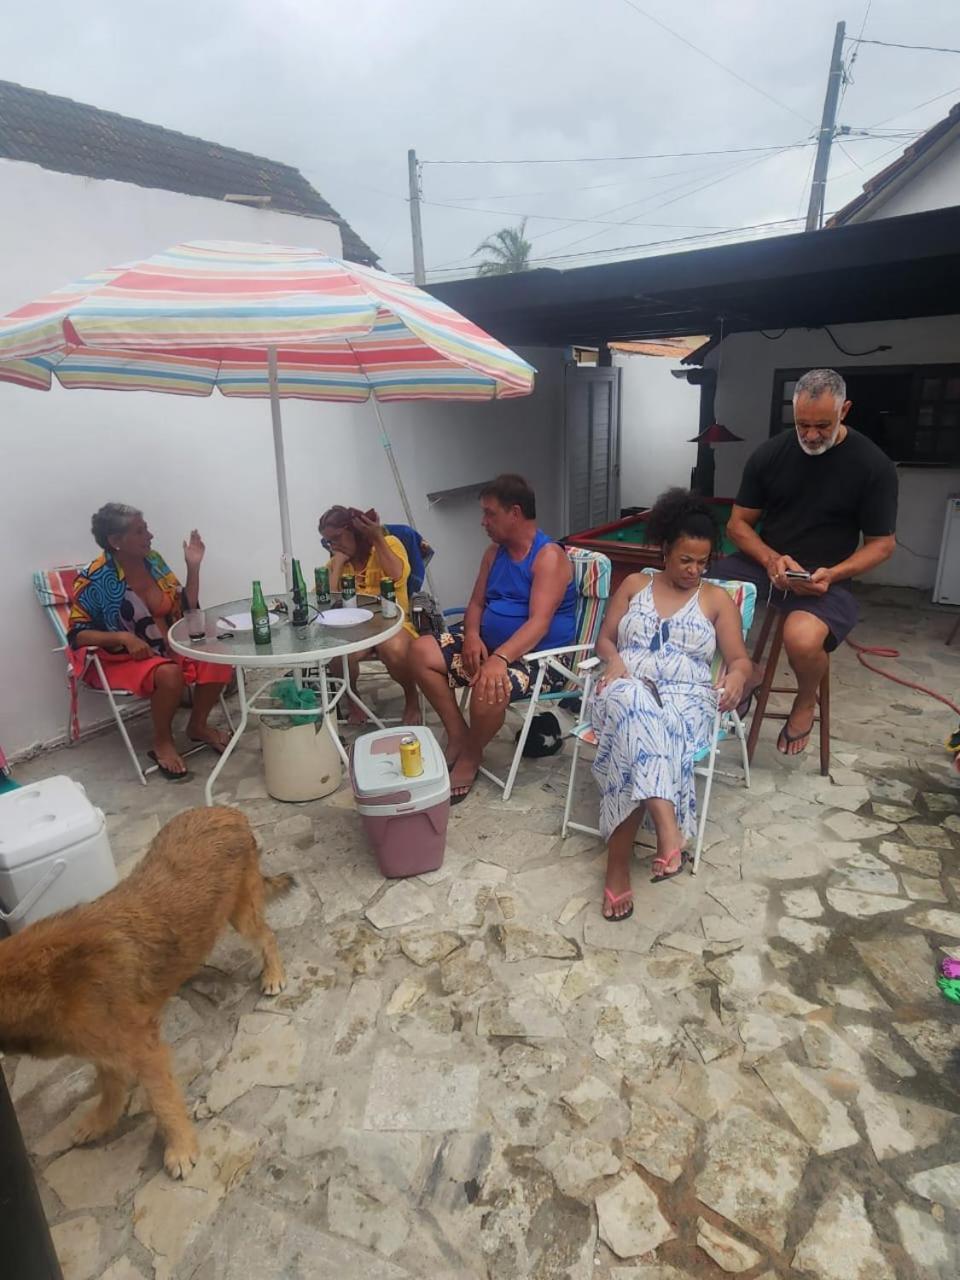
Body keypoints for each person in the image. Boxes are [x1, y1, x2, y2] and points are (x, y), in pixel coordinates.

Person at [715, 367, 897, 757]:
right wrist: (768, 558)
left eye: (822, 425)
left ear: (844, 410)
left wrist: (836, 573)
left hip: (828, 575)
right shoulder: (770, 454)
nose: (811, 435)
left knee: (801, 638)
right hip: (767, 563)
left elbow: (882, 545)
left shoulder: (873, 466)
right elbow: (737, 525)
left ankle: (805, 700)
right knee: (699, 597)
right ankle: (746, 671)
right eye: (802, 425)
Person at [591, 490, 752, 921]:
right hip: (623, 685)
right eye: (686, 560)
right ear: (665, 548)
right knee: (630, 697)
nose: (695, 570)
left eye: (703, 562)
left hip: (686, 702)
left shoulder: (716, 600)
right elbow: (605, 639)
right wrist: (616, 658)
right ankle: (669, 828)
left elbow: (739, 660)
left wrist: (736, 677)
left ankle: (618, 866)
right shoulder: (635, 585)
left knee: (638, 732)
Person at [409, 474, 576, 803]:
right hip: (488, 646)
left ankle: (471, 754)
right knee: (419, 651)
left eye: (489, 513)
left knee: (488, 685)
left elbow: (539, 624)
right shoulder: (493, 553)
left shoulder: (548, 557)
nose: (483, 522)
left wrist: (499, 659)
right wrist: (471, 635)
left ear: (514, 513)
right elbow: (476, 603)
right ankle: (459, 734)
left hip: (540, 659)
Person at [68, 504, 231, 780]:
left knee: (216, 654)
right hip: (119, 657)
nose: (150, 535)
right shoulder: (94, 578)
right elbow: (77, 634)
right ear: (116, 541)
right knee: (169, 673)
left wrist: (193, 565)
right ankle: (162, 741)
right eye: (140, 531)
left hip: (164, 646)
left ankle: (198, 726)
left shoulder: (153, 562)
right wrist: (122, 636)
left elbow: (186, 606)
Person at [319, 505, 420, 725]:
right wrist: (336, 564)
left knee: (392, 648)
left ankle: (412, 699)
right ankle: (352, 699)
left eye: (337, 538)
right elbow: (323, 604)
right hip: (356, 630)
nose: (334, 546)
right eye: (328, 542)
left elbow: (397, 575)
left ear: (352, 530)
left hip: (392, 623)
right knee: (338, 653)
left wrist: (377, 539)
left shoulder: (389, 544)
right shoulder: (337, 562)